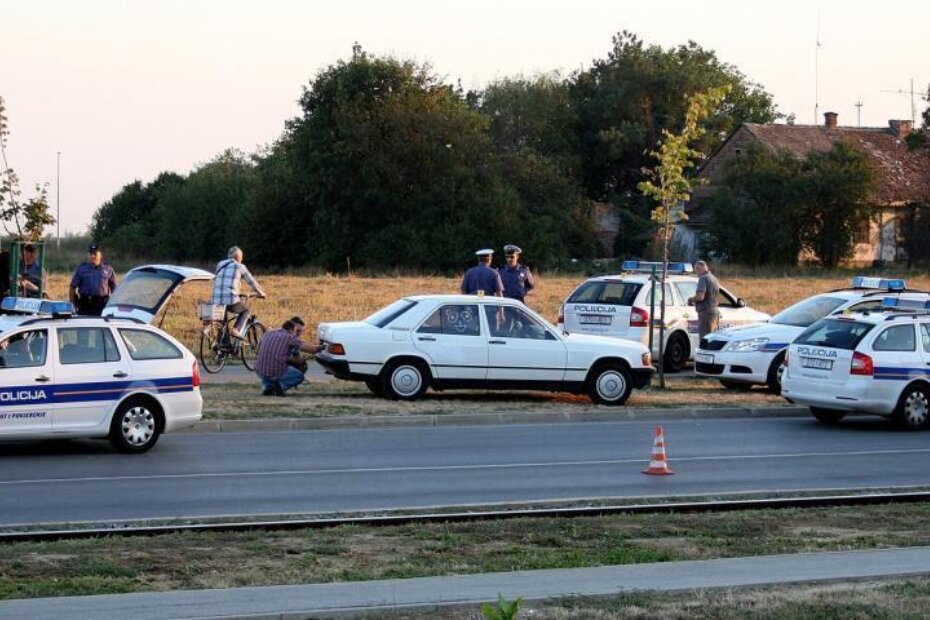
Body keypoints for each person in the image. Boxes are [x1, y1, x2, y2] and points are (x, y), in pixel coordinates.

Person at [255, 318, 324, 396]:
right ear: (291, 330)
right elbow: (312, 350)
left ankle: (267, 387)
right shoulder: (289, 337)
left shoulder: (268, 333)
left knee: (269, 376)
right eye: (296, 331)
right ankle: (279, 387)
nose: (296, 334)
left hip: (260, 370)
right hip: (276, 370)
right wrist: (322, 346)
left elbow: (257, 351)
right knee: (299, 376)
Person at [210, 246, 266, 339]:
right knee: (245, 311)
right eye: (242, 257)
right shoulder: (240, 266)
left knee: (223, 323)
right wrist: (261, 293)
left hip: (216, 299)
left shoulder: (220, 264)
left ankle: (222, 347)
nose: (242, 259)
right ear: (238, 257)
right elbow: (251, 281)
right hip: (230, 298)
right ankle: (236, 329)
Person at [69, 244, 118, 315]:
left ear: (100, 255)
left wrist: (114, 305)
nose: (92, 256)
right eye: (90, 253)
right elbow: (72, 287)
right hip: (85, 305)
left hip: (102, 305)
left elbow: (114, 289)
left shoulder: (108, 269)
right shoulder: (81, 269)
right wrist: (72, 305)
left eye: (95, 254)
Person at [687, 260, 720, 339]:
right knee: (713, 340)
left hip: (706, 313)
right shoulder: (714, 279)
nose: (696, 273)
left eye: (696, 271)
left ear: (699, 269)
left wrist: (690, 299)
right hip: (715, 311)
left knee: (705, 340)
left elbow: (700, 296)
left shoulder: (703, 278)